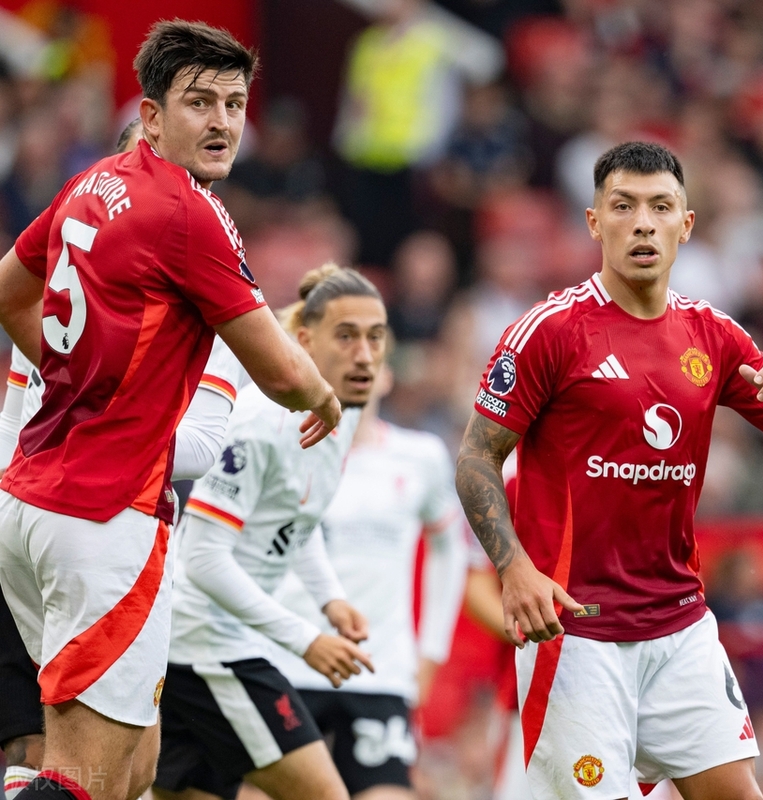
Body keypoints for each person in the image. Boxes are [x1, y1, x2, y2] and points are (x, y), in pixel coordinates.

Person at [0, 21, 343, 800]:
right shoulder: (191, 212)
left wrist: (79, 382)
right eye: (199, 103)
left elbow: (9, 294)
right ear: (151, 116)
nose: (222, 122)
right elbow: (282, 370)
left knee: (130, 770)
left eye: (234, 104)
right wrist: (321, 395)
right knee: (86, 776)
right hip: (101, 513)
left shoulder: (91, 182)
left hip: (33, 502)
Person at [455, 140, 763, 800]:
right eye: (623, 206)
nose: (642, 224)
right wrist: (514, 567)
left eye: (660, 207)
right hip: (576, 633)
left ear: (685, 226)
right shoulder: (549, 331)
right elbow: (475, 457)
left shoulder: (712, 334)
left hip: (680, 625)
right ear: (594, 222)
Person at [152, 265, 386, 800]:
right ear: (303, 340)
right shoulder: (260, 423)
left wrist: (329, 597)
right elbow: (203, 559)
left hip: (207, 644)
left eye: (375, 337)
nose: (365, 355)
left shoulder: (340, 418)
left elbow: (294, 521)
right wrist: (306, 640)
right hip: (208, 646)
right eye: (346, 336)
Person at [263, 358, 469, 800]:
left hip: (380, 671)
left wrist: (431, 652)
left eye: (373, 345)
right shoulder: (280, 445)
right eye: (343, 344)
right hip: (287, 664)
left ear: (387, 375)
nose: (357, 359)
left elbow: (450, 550)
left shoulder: (421, 456)